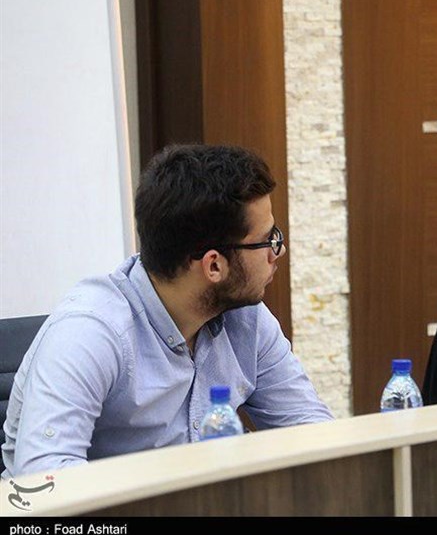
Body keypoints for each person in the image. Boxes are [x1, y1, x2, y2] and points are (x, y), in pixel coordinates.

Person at [2, 144, 334, 478]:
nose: (278, 251)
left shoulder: (247, 319)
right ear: (214, 265)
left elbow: (313, 435)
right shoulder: (90, 333)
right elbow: (44, 478)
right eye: (268, 241)